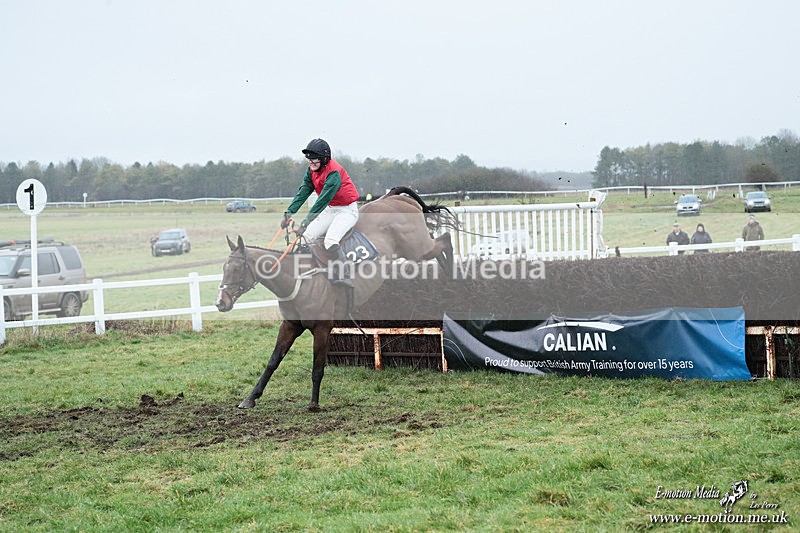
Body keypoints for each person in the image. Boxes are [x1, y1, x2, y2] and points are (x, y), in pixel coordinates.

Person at [282, 138, 360, 287]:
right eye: (309, 160)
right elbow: (304, 191)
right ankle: (307, 272)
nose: (311, 163)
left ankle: (346, 275)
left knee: (330, 241)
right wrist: (289, 212)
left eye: (314, 159)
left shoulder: (334, 173)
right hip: (331, 209)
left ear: (324, 159)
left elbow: (322, 200)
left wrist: (306, 221)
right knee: (304, 238)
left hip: (347, 211)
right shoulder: (311, 170)